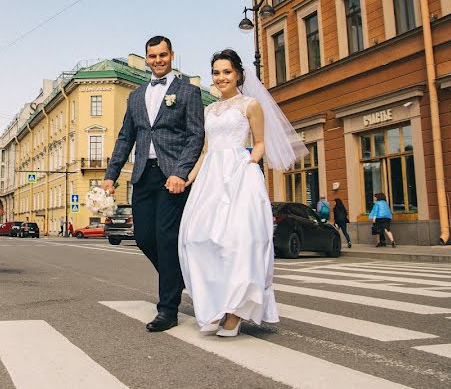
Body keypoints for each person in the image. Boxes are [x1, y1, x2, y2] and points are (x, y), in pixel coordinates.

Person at [180, 49, 306, 337]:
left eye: (226, 72)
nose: (221, 77)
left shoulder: (250, 105)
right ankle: (216, 305)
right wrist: (188, 178)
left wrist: (247, 164)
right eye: (216, 72)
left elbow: (260, 143)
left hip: (240, 174)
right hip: (211, 176)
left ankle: (235, 312)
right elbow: (206, 151)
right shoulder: (209, 110)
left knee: (238, 241)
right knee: (198, 239)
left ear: (237, 74)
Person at [104, 35, 205, 333]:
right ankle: (177, 277)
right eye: (152, 56)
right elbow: (126, 138)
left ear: (172, 55)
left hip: (171, 176)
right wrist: (111, 175)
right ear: (146, 58)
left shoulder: (188, 92)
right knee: (145, 237)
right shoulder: (135, 96)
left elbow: (195, 136)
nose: (158, 60)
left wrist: (182, 173)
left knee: (165, 237)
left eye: (163, 55)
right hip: (142, 176)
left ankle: (167, 309)